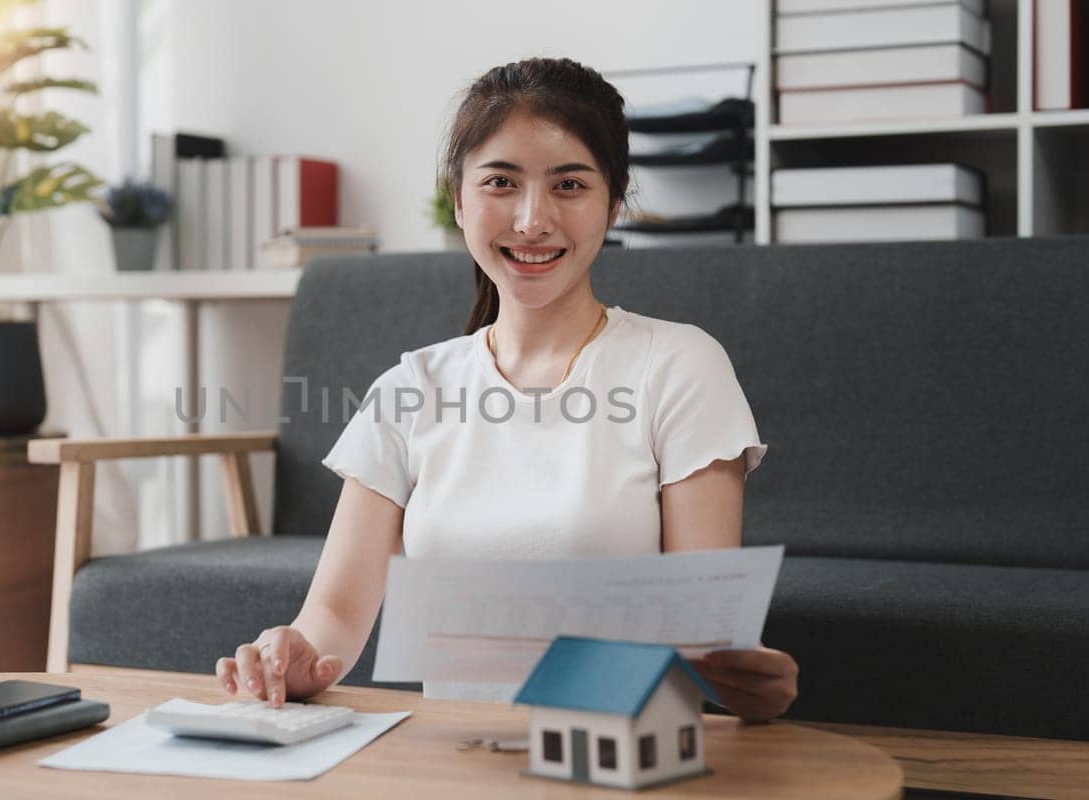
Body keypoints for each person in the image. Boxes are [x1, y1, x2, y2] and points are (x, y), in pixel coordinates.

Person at [215, 57, 798, 723]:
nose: (531, 220)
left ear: (614, 201)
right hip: (461, 763)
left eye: (569, 185)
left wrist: (744, 677)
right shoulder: (412, 388)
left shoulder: (679, 366)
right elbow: (334, 618)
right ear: (458, 200)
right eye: (500, 182)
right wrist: (291, 653)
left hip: (620, 754)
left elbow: (704, 626)